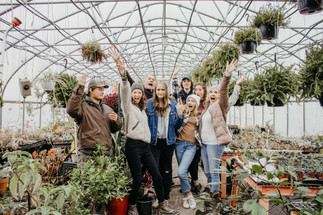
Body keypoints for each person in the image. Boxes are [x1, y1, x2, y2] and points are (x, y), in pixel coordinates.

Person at [113, 57, 176, 215]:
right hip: (133, 145)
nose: (136, 95)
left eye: (139, 93)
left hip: (146, 146)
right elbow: (125, 91)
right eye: (134, 92)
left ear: (142, 96)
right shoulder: (128, 108)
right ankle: (132, 207)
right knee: (136, 179)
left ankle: (162, 204)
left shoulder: (143, 109)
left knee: (158, 176)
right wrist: (123, 76)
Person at [199, 59, 238, 200]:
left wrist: (227, 75)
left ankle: (215, 197)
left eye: (215, 92)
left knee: (214, 171)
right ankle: (212, 191)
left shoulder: (221, 105)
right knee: (208, 172)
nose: (213, 94)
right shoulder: (206, 106)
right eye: (211, 92)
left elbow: (224, 91)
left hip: (215, 143)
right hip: (205, 144)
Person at [66, 74, 122, 162]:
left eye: (103, 90)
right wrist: (80, 88)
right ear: (91, 90)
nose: (102, 92)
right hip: (88, 155)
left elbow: (114, 129)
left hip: (105, 154)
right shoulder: (83, 107)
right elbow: (71, 110)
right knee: (88, 176)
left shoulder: (107, 108)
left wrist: (117, 120)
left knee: (106, 176)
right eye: (99, 89)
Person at [146, 80, 180, 214]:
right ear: (155, 91)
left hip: (168, 142)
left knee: (167, 170)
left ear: (166, 91)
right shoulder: (149, 104)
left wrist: (181, 116)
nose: (160, 92)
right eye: (158, 90)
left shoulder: (173, 105)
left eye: (162, 90)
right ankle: (158, 197)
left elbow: (176, 126)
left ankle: (164, 198)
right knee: (156, 170)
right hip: (154, 142)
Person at [175, 94, 201, 209]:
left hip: (191, 146)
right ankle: (187, 195)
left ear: (196, 104)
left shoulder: (199, 116)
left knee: (181, 171)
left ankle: (189, 194)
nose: (190, 102)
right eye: (189, 100)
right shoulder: (182, 113)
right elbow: (175, 126)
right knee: (183, 172)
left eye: (193, 101)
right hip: (179, 144)